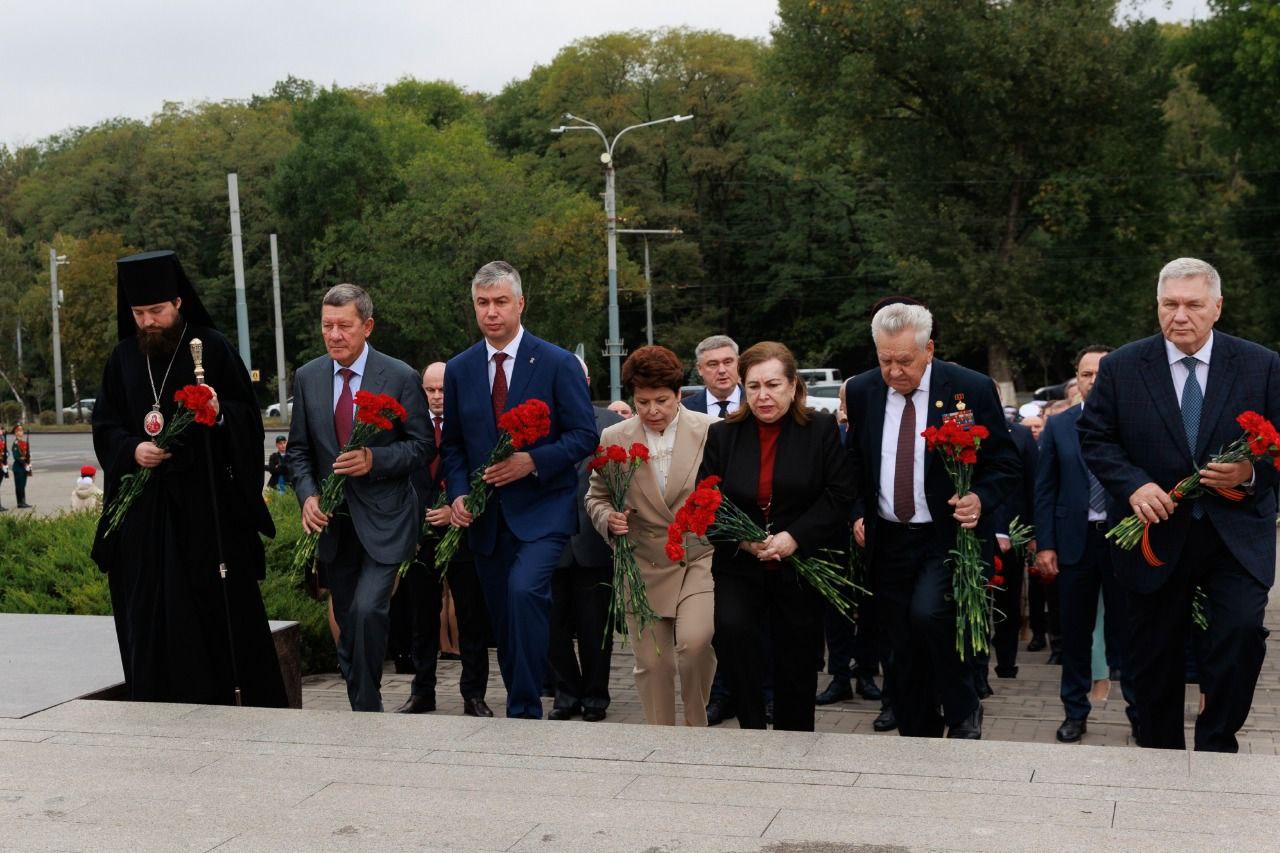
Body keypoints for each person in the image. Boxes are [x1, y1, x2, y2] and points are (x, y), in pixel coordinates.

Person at [1079, 257, 1280, 752]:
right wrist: (1133, 486)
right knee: (1151, 655)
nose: (1180, 315)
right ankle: (1160, 752)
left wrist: (1250, 472)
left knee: (1238, 635)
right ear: (1158, 306)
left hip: (1233, 532)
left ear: (1217, 307)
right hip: (1153, 534)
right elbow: (1096, 437)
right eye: (1170, 304)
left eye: (1193, 304)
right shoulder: (1124, 366)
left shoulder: (1261, 364)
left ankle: (1217, 742)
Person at [90, 249, 286, 707]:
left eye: (156, 311)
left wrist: (219, 416)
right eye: (138, 314)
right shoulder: (122, 359)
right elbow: (105, 425)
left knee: (213, 615)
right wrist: (131, 449)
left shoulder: (210, 347)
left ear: (177, 303)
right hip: (145, 517)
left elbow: (245, 416)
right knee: (150, 615)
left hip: (205, 509)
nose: (148, 323)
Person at [845, 302, 1018, 739]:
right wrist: (856, 515)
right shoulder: (864, 392)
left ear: (929, 349)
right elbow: (851, 467)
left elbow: (1005, 463)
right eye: (885, 360)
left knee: (930, 614)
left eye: (904, 360)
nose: (895, 371)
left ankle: (963, 708)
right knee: (899, 642)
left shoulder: (969, 389)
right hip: (887, 539)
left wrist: (979, 497)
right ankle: (917, 732)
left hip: (948, 538)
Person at [441, 261, 596, 719]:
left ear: (520, 303)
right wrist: (456, 494)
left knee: (526, 592)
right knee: (505, 621)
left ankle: (524, 708)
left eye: (501, 302)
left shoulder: (556, 362)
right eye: (483, 304)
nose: (491, 312)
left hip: (543, 511)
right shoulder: (459, 368)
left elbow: (584, 435)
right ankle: (520, 701)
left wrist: (533, 461)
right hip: (486, 520)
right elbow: (452, 446)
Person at [287, 283, 434, 712]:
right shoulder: (309, 376)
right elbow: (298, 451)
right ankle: (362, 704)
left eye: (344, 326)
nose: (334, 335)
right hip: (334, 523)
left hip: (387, 519)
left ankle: (367, 709)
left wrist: (376, 458)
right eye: (327, 326)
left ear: (366, 326)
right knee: (349, 619)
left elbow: (423, 447)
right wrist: (307, 497)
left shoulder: (401, 376)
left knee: (370, 610)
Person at [698, 341, 855, 732]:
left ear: (792, 385)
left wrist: (794, 537)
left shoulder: (819, 429)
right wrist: (743, 541)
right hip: (741, 564)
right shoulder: (724, 435)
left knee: (797, 657)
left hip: (801, 563)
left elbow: (838, 494)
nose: (763, 396)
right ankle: (751, 728)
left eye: (772, 385)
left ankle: (794, 736)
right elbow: (706, 501)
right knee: (733, 632)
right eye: (753, 387)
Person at [586, 345, 720, 726]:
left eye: (662, 400)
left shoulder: (710, 430)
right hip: (641, 563)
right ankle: (661, 739)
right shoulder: (614, 435)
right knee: (652, 664)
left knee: (694, 644)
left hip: (697, 556)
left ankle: (697, 727)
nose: (652, 410)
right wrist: (608, 518)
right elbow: (596, 495)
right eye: (642, 402)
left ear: (680, 394)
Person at [1036, 344, 1138, 743]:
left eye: (1101, 373)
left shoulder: (1134, 422)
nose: (1093, 380)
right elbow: (1045, 489)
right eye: (1085, 374)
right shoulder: (1060, 426)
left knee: (1129, 632)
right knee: (1075, 635)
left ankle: (1139, 710)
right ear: (1076, 379)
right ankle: (1075, 713)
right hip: (1074, 543)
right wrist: (1045, 543)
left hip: (1124, 541)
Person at [393, 361, 493, 717]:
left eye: (442, 390)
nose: (436, 397)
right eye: (430, 390)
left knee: (471, 617)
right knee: (421, 617)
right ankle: (422, 692)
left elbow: (485, 475)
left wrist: (457, 510)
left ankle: (474, 695)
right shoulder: (408, 426)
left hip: (464, 534)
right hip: (420, 537)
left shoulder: (472, 425)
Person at [547, 358, 620, 722]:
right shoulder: (537, 422)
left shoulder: (613, 424)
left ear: (587, 381)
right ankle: (565, 694)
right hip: (548, 539)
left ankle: (595, 697)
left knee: (595, 630)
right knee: (552, 626)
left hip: (595, 541)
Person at [683, 335, 742, 417]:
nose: (722, 370)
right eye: (713, 364)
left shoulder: (756, 402)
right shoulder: (684, 409)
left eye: (728, 362)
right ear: (699, 368)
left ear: (738, 363)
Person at [10, 423, 31, 509]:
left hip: (24, 467)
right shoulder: (16, 444)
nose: (21, 432)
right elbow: (17, 457)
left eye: (22, 430)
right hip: (18, 468)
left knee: (23, 485)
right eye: (19, 430)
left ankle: (23, 501)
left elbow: (27, 455)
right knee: (19, 485)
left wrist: (29, 463)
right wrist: (24, 464)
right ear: (15, 433)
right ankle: (20, 502)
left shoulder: (23, 442)